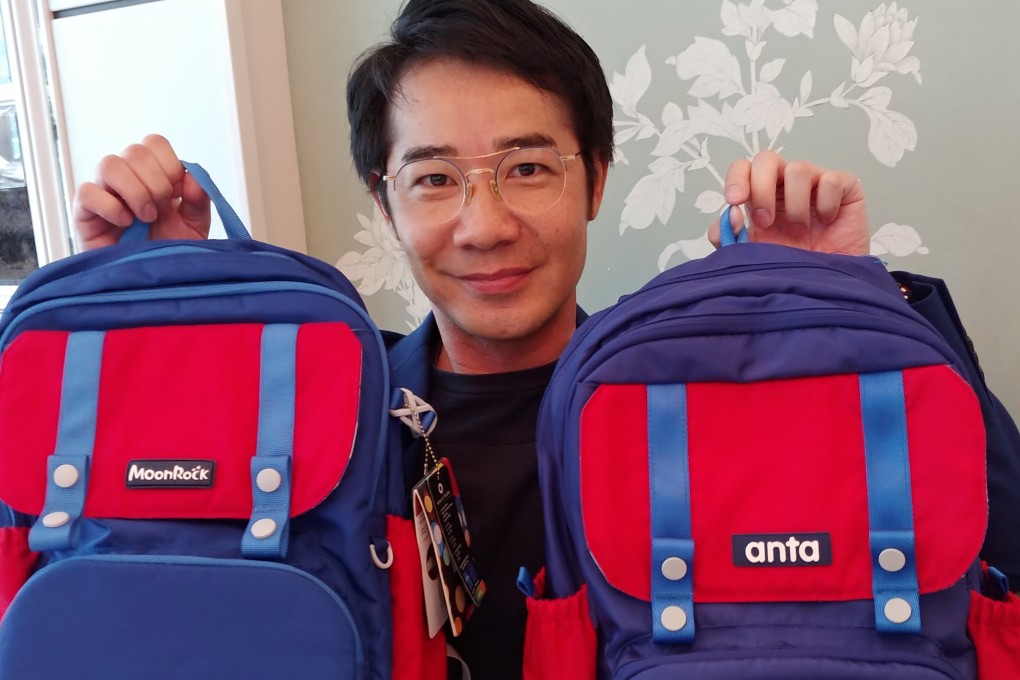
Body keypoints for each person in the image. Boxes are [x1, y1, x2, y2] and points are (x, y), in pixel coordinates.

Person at [72, 1, 1019, 678]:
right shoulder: (324, 414)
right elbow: (144, 594)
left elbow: (997, 563)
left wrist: (848, 302)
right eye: (435, 178)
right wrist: (158, 308)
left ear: (595, 180)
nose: (483, 225)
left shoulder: (693, 401)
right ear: (386, 203)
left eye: (527, 166)